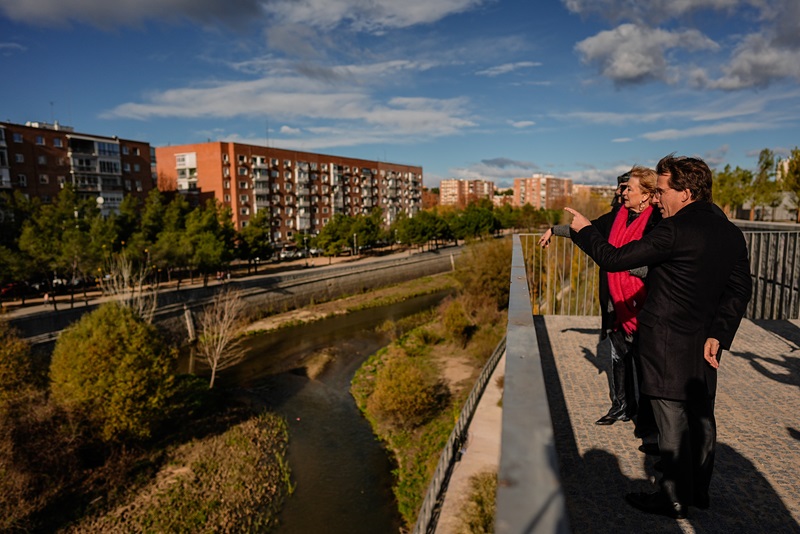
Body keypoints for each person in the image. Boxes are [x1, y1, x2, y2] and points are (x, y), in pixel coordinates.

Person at [565, 154, 752, 518]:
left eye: (662, 191)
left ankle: (671, 496)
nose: (657, 198)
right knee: (701, 418)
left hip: (666, 341)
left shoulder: (673, 229)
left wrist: (585, 230)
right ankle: (698, 491)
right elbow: (740, 289)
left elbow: (614, 258)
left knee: (670, 422)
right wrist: (719, 333)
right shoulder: (729, 231)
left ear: (685, 193)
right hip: (704, 345)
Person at [539, 167, 660, 433]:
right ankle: (622, 407)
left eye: (628, 188)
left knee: (645, 365)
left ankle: (650, 423)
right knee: (618, 357)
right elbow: (588, 230)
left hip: (643, 306)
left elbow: (658, 269)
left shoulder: (657, 223)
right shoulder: (619, 215)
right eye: (623, 187)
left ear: (647, 195)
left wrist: (625, 265)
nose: (622, 192)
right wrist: (554, 230)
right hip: (615, 302)